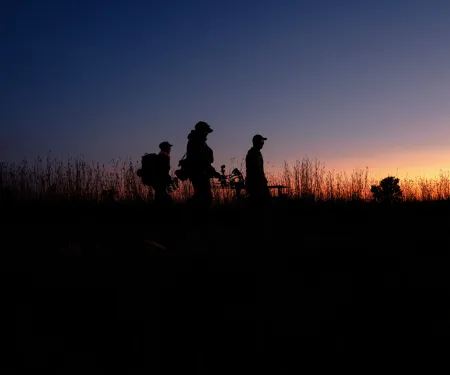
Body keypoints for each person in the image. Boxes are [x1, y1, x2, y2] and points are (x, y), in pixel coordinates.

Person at [185, 121, 220, 209]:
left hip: (200, 173)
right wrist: (214, 172)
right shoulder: (197, 142)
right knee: (205, 197)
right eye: (206, 131)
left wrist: (213, 172)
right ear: (201, 131)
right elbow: (202, 161)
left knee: (200, 196)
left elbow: (205, 161)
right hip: (199, 174)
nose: (207, 133)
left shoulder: (198, 141)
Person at [245, 134, 270, 206]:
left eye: (263, 142)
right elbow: (254, 170)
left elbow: (259, 169)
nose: (263, 144)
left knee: (264, 203)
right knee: (258, 205)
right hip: (255, 184)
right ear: (257, 142)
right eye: (261, 141)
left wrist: (263, 180)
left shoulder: (257, 152)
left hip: (259, 183)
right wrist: (259, 181)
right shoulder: (253, 153)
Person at [153, 141, 173, 206]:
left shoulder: (160, 155)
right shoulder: (164, 156)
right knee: (162, 196)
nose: (170, 148)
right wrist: (168, 178)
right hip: (161, 180)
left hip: (159, 180)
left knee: (159, 195)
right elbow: (163, 170)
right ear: (165, 148)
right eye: (169, 147)